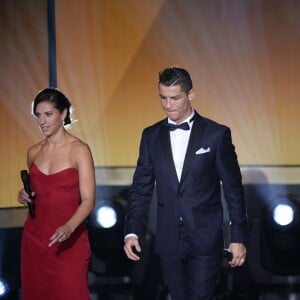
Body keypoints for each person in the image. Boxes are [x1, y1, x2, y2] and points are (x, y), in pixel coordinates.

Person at [123, 67, 248, 300]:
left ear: (191, 95)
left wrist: (238, 237)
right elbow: (141, 188)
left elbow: (233, 189)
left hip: (206, 236)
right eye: (163, 98)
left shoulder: (216, 134)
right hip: (169, 236)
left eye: (175, 98)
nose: (168, 105)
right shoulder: (151, 136)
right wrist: (131, 231)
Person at [17, 88, 95, 300]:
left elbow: (88, 201)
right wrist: (24, 195)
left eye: (48, 114)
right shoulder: (33, 152)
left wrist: (69, 227)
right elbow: (39, 192)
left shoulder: (79, 150)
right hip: (35, 240)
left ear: (63, 113)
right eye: (38, 115)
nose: (42, 121)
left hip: (69, 242)